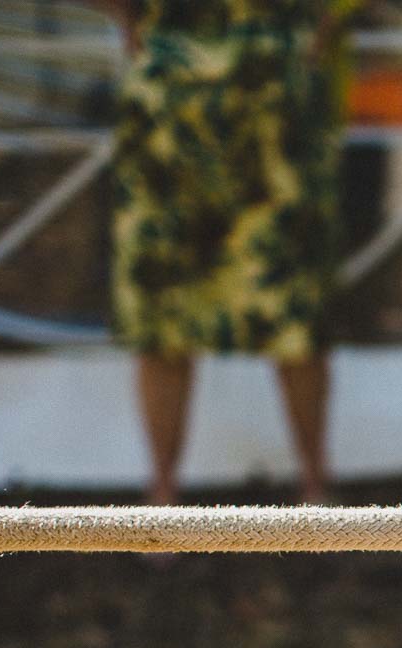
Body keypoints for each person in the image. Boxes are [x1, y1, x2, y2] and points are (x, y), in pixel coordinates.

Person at [80, 0, 359, 505]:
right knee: (161, 313)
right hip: (167, 119)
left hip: (278, 107)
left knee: (294, 308)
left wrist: (332, 13)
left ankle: (316, 487)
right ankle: (162, 493)